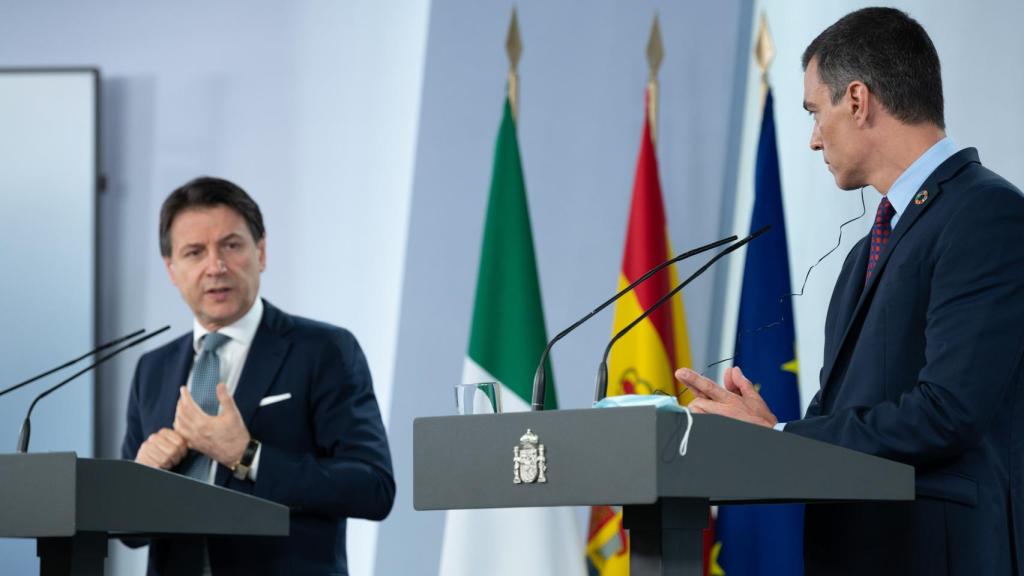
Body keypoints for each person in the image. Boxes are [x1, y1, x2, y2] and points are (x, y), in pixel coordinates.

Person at [675, 7, 1024, 575]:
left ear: (857, 100)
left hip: (938, 556)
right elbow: (851, 413)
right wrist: (776, 433)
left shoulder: (986, 214)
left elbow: (949, 411)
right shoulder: (868, 249)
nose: (814, 139)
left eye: (816, 111)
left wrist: (785, 435)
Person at [122, 176, 394, 575]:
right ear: (172, 269)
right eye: (195, 252)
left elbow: (373, 487)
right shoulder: (153, 368)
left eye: (231, 246)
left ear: (261, 252)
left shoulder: (323, 350)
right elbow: (130, 534)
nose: (215, 266)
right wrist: (141, 478)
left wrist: (247, 455)